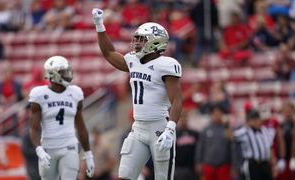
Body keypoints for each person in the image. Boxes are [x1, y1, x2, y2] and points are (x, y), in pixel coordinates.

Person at [92, 8, 183, 180]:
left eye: (141, 40)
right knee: (125, 176)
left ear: (155, 42)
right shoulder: (133, 61)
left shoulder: (166, 65)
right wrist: (99, 25)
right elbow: (109, 53)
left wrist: (170, 129)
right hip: (138, 128)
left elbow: (177, 100)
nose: (136, 43)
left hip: (160, 127)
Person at [29, 56, 95, 180]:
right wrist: (39, 150)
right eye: (63, 72)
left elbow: (81, 127)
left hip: (69, 146)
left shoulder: (75, 93)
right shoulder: (39, 95)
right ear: (53, 74)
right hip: (48, 148)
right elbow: (34, 128)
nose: (68, 74)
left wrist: (88, 154)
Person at [233, 109, 275, 180]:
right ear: (249, 121)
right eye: (253, 119)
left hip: (264, 163)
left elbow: (270, 147)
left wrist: (274, 164)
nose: (255, 122)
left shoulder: (265, 130)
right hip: (252, 164)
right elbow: (232, 136)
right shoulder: (245, 131)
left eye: (257, 119)